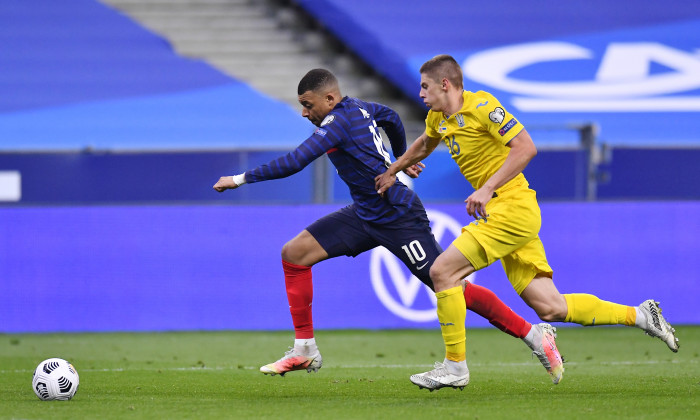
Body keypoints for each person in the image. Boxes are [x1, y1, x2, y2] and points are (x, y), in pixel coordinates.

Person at [213, 68, 564, 384]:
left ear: (330, 99)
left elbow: (296, 161)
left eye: (308, 104)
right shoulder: (363, 108)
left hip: (397, 215)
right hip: (365, 213)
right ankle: (305, 349)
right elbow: (392, 117)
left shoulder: (337, 122)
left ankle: (534, 335)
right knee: (294, 254)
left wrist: (239, 178)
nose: (305, 113)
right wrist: (400, 162)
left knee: (449, 284)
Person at [375, 54, 680, 391]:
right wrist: (394, 169)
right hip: (501, 212)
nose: (420, 93)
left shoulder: (483, 107)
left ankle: (455, 367)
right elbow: (425, 143)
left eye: (425, 86)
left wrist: (488, 187)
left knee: (442, 272)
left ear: (444, 84)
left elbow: (526, 147)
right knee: (551, 307)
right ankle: (641, 315)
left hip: (512, 206)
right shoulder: (438, 117)